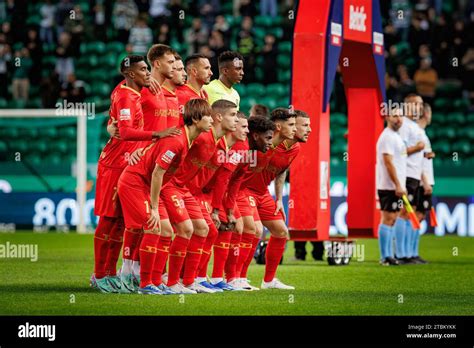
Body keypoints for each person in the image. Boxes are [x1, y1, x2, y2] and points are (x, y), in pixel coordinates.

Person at [117, 98, 213, 294]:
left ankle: (156, 281)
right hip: (135, 183)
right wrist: (153, 207)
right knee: (153, 228)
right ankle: (145, 284)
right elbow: (157, 173)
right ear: (195, 119)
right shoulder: (177, 141)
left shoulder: (186, 139)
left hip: (148, 185)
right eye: (208, 116)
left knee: (167, 231)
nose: (211, 121)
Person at [92, 55, 166, 293]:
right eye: (144, 69)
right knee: (108, 221)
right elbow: (124, 132)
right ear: (131, 74)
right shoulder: (126, 96)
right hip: (114, 163)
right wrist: (156, 135)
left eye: (148, 68)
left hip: (128, 163)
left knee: (122, 223)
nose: (148, 73)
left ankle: (111, 272)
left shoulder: (127, 89)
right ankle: (100, 274)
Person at [160, 99, 238, 294]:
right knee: (182, 230)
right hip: (170, 186)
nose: (236, 120)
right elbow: (173, 142)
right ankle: (167, 281)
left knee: (203, 229)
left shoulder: (218, 142)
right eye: (233, 115)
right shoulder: (202, 137)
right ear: (219, 117)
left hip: (186, 190)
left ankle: (189, 281)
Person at [202, 115, 275, 291]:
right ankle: (199, 277)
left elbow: (235, 182)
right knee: (205, 230)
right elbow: (223, 180)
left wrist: (228, 211)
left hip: (221, 193)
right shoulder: (240, 149)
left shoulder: (248, 151)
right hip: (206, 191)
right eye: (268, 138)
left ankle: (224, 278)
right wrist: (217, 209)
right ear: (256, 136)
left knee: (234, 226)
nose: (270, 143)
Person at [236, 108, 297, 289]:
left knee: (281, 231)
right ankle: (238, 277)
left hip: (262, 193)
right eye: (292, 125)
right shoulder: (260, 144)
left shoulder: (293, 148)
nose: (296, 129)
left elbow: (281, 171)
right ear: (279, 126)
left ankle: (268, 281)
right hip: (244, 190)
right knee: (254, 230)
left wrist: (279, 199)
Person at [394, 94, 425, 265]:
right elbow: (401, 150)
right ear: (408, 105)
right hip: (406, 174)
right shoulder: (405, 125)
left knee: (409, 213)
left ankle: (407, 253)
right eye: (417, 104)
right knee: (404, 213)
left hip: (414, 175)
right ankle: (401, 253)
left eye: (421, 105)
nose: (419, 108)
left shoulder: (414, 125)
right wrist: (418, 147)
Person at [376, 107, 407, 266]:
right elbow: (388, 162)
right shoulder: (387, 137)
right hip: (388, 185)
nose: (399, 119)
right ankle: (385, 257)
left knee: (393, 218)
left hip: (395, 185)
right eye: (395, 115)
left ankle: (390, 255)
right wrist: (398, 184)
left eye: (401, 116)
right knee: (388, 218)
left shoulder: (396, 137)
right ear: (388, 116)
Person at [413, 103, 434, 264]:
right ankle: (408, 252)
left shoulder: (422, 134)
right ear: (426, 114)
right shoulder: (419, 134)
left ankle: (412, 252)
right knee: (416, 216)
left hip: (422, 180)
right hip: (420, 182)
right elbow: (417, 161)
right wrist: (425, 182)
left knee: (419, 216)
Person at [162, 54, 187, 127]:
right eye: (180, 70)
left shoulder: (183, 93)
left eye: (183, 69)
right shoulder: (154, 93)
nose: (185, 74)